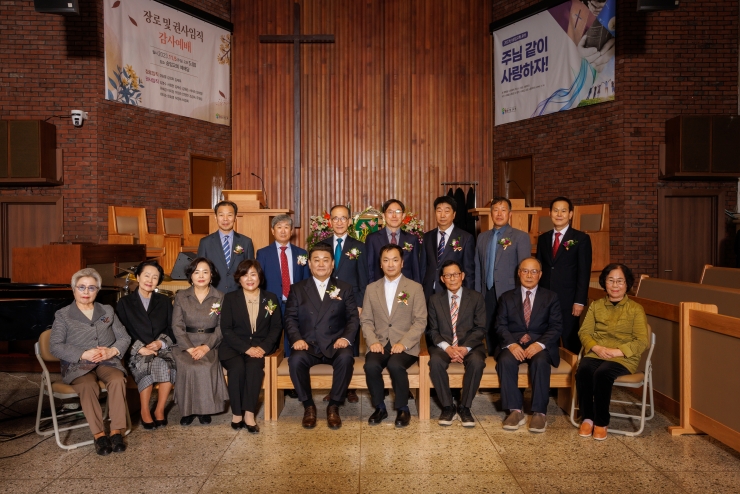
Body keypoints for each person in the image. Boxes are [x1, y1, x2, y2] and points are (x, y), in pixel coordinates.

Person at [50, 268, 131, 456]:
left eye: (91, 288)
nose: (86, 292)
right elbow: (55, 346)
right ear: (74, 290)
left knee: (117, 380)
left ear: (97, 290)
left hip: (107, 361)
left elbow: (124, 337)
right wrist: (83, 354)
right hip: (78, 365)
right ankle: (99, 435)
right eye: (82, 287)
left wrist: (112, 350)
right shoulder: (63, 315)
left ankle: (116, 432)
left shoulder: (107, 310)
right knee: (88, 386)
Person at [284, 243, 360, 430]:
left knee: (346, 358)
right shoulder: (298, 289)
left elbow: (353, 318)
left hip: (335, 343)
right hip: (307, 344)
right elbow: (290, 318)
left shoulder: (344, 288)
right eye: (316, 260)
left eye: (325, 260)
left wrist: (345, 338)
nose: (320, 264)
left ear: (332, 264)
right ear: (309, 264)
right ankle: (308, 406)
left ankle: (334, 405)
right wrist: (297, 339)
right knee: (295, 361)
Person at [576, 263, 649, 441]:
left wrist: (617, 352)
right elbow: (584, 332)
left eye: (620, 281)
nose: (615, 285)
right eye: (611, 280)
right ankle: (588, 418)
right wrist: (596, 347)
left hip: (623, 357)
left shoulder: (636, 309)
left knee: (602, 374)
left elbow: (642, 341)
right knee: (583, 370)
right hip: (597, 352)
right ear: (604, 283)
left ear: (627, 284)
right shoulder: (596, 306)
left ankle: (601, 422)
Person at [361, 244, 427, 428]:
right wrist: (372, 341)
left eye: (395, 260)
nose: (390, 264)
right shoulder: (371, 289)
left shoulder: (414, 288)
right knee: (371, 365)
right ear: (380, 264)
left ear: (402, 263)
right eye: (386, 260)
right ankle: (380, 407)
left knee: (395, 365)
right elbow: (366, 320)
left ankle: (403, 408)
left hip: (405, 344)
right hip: (380, 342)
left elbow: (420, 321)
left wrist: (404, 343)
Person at [495, 257, 562, 433]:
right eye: (525, 271)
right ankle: (515, 411)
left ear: (540, 274)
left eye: (534, 271)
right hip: (514, 343)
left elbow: (556, 327)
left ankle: (539, 413)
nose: (529, 275)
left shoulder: (551, 297)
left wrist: (540, 344)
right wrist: (511, 344)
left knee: (540, 362)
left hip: (540, 344)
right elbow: (500, 325)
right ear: (519, 273)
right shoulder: (507, 297)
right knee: (505, 360)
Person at [220, 260, 283, 432]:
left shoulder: (270, 298)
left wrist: (263, 347)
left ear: (260, 277)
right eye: (244, 275)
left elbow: (276, 327)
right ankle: (236, 413)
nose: (249, 279)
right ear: (238, 279)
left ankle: (249, 414)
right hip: (233, 347)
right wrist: (246, 348)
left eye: (253, 274)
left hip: (260, 348)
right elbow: (226, 329)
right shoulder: (230, 298)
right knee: (237, 368)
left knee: (254, 368)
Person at [427, 260, 487, 427]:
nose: (452, 278)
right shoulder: (434, 300)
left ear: (463, 276)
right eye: (448, 275)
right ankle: (448, 407)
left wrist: (464, 348)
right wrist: (448, 348)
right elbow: (432, 330)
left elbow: (481, 328)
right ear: (442, 279)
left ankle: (465, 407)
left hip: (470, 346)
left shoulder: (476, 298)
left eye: (455, 274)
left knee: (477, 362)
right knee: (435, 362)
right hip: (443, 346)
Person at [116, 260, 175, 430]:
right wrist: (139, 348)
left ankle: (159, 409)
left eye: (155, 277)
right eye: (146, 275)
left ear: (159, 281)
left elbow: (171, 328)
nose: (150, 280)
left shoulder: (164, 301)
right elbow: (120, 331)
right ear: (138, 276)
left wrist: (160, 342)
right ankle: (144, 410)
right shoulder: (125, 303)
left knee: (170, 364)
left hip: (160, 348)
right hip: (136, 350)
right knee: (147, 363)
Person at [171, 257, 229, 426]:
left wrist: (206, 347)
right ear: (191, 276)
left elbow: (221, 327)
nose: (201, 276)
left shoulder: (220, 297)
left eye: (205, 272)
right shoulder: (181, 296)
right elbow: (176, 325)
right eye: (197, 272)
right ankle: (188, 410)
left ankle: (205, 410)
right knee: (188, 365)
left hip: (210, 343)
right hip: (186, 343)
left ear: (212, 275)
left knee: (205, 365)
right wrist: (189, 348)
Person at [320, 204, 367, 402]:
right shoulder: (322, 246)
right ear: (330, 221)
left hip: (351, 302)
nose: (339, 222)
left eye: (343, 218)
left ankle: (350, 388)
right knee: (330, 340)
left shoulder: (359, 246)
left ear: (349, 221)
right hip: (326, 302)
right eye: (335, 218)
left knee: (350, 342)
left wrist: (360, 304)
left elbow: (364, 278)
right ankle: (334, 387)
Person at [475, 197, 531, 355]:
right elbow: (478, 267)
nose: (499, 214)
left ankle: (506, 360)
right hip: (487, 291)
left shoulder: (520, 237)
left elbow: (525, 269)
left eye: (503, 210)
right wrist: (477, 293)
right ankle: (492, 357)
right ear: (491, 213)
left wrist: (521, 295)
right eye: (495, 210)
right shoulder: (482, 237)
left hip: (510, 292)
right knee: (489, 328)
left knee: (507, 329)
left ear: (510, 214)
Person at [536, 197, 592, 354]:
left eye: (563, 211)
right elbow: (539, 269)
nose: (559, 214)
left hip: (569, 300)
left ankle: (575, 369)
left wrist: (579, 301)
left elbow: (584, 272)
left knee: (569, 339)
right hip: (545, 298)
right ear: (550, 213)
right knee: (546, 338)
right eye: (555, 211)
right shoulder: (543, 239)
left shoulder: (581, 239)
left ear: (570, 214)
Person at [255, 214, 310, 358]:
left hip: (295, 303)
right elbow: (259, 280)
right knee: (271, 340)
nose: (283, 231)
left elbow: (306, 281)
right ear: (272, 231)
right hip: (271, 303)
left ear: (291, 231)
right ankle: (271, 368)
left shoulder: (301, 253)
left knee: (294, 339)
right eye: (279, 227)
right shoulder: (263, 253)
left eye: (286, 227)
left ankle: (292, 364)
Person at [421, 196, 475, 300]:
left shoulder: (466, 238)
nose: (442, 215)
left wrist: (468, 297)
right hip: (429, 291)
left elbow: (469, 272)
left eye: (446, 211)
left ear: (454, 214)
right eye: (439, 211)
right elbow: (423, 268)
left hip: (453, 292)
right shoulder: (427, 237)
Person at [196, 200, 254, 293]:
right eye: (221, 215)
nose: (225, 219)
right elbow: (199, 270)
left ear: (235, 217)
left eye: (229, 215)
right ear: (216, 217)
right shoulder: (205, 243)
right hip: (213, 294)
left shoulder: (246, 242)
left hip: (239, 294)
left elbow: (251, 271)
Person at [365, 199, 421, 283]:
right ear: (384, 215)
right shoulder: (372, 239)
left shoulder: (412, 239)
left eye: (398, 212)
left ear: (403, 215)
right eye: (390, 212)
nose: (394, 216)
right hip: (380, 287)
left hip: (405, 288)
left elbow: (416, 269)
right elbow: (369, 268)